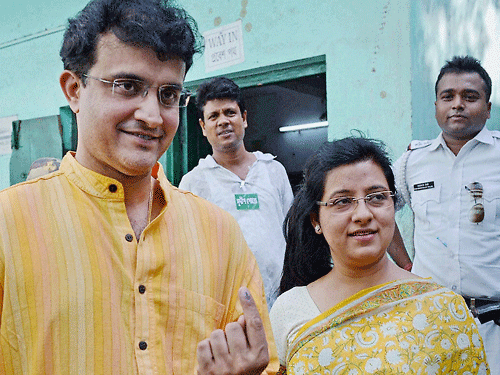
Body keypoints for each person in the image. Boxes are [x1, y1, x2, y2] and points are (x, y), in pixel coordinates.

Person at [0, 0, 278, 373]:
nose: (152, 116)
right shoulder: (8, 225)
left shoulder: (220, 235)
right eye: (128, 86)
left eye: (168, 95)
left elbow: (261, 361)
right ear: (74, 89)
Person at [269, 137, 489, 374]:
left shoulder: (443, 309)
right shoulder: (290, 310)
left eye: (376, 197)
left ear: (393, 205)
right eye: (342, 201)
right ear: (316, 219)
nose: (363, 214)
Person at [389, 55, 500, 374]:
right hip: (431, 320)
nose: (457, 105)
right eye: (447, 96)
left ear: (488, 108)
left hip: (494, 324)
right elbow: (381, 212)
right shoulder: (413, 162)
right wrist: (405, 265)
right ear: (436, 105)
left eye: (470, 96)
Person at [179, 77, 294, 307]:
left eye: (230, 113)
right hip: (225, 305)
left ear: (244, 118)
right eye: (213, 116)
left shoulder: (273, 171)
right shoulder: (194, 183)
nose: (223, 121)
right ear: (203, 127)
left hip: (282, 299)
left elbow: (293, 235)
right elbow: (187, 253)